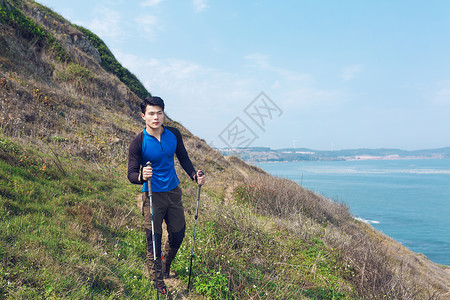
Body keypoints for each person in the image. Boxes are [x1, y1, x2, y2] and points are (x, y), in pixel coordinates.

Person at [127, 96, 205, 295]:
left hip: (173, 192)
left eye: (159, 113)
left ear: (163, 114)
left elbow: (183, 158)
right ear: (143, 116)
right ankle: (158, 283)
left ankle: (165, 263)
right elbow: (131, 174)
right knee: (154, 240)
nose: (156, 117)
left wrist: (194, 175)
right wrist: (141, 176)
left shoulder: (174, 134)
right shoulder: (138, 143)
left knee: (178, 234)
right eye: (151, 113)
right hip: (152, 195)